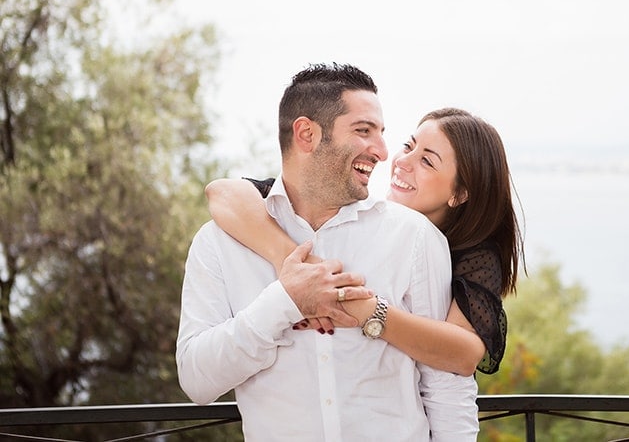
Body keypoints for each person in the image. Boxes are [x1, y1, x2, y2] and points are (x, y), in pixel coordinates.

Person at [176, 63, 479, 441]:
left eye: (382, 134)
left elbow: (448, 389)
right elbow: (196, 380)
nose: (384, 153)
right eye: (363, 131)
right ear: (307, 134)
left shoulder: (416, 238)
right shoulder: (219, 243)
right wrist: (285, 302)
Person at [206, 107, 525, 377]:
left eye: (427, 161)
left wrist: (363, 309)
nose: (402, 161)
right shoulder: (357, 211)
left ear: (460, 193)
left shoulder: (475, 254)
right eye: (408, 146)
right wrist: (295, 265)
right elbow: (221, 194)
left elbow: (464, 353)